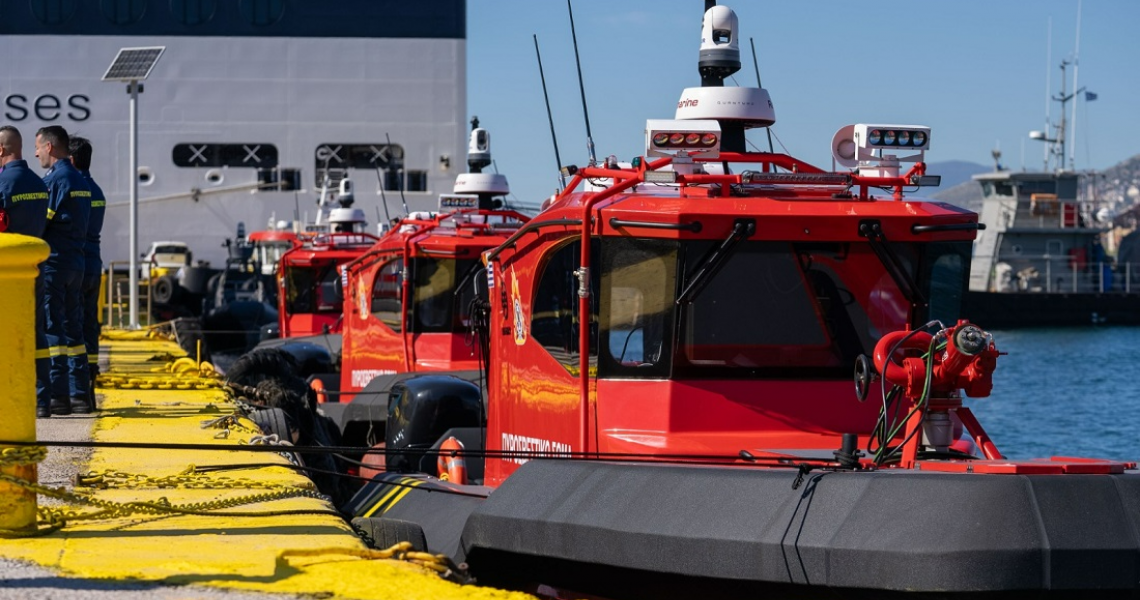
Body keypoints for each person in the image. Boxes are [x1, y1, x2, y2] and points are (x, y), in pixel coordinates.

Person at [35, 125, 91, 416]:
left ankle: (58, 396)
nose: (36, 154)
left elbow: (42, 222)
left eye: (38, 147)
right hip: (76, 263)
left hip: (55, 264)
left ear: (50, 147)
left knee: (53, 329)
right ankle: (80, 395)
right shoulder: (80, 179)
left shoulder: (55, 179)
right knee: (74, 330)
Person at [0, 126, 52, 417]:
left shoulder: (2, 182)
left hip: (6, 273)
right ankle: (41, 399)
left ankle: (10, 396)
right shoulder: (39, 184)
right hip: (35, 269)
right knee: (36, 332)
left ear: (1, 149)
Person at [70, 136, 104, 412]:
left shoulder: (74, 188)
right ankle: (90, 386)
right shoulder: (97, 191)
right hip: (95, 265)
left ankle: (76, 389)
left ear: (70, 160)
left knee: (73, 327)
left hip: (77, 266)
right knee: (90, 327)